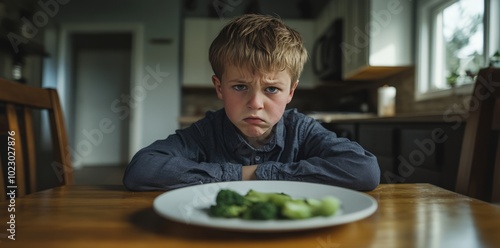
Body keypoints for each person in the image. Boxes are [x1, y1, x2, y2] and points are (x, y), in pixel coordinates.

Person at [123, 14, 380, 191]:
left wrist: (260, 174)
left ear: (291, 92)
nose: (255, 103)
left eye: (271, 89)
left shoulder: (301, 130)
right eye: (240, 87)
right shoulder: (206, 132)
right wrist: (241, 175)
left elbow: (364, 170)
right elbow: (141, 169)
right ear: (219, 87)